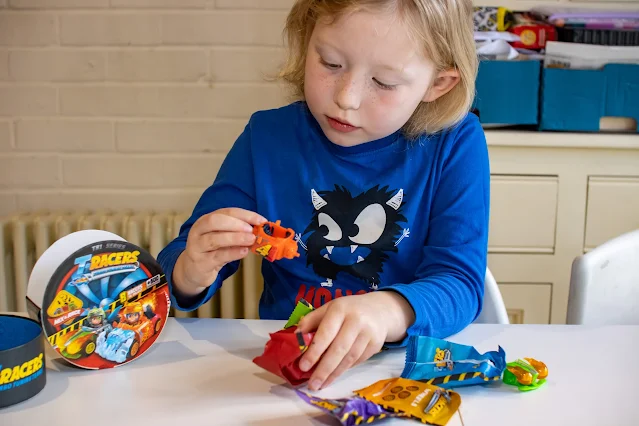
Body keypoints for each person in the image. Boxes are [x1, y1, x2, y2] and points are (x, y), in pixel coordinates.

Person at [157, 0, 489, 392]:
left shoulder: (454, 143)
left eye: (383, 83)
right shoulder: (267, 138)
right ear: (306, 39)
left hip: (400, 373)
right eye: (331, 63)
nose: (346, 97)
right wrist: (190, 270)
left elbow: (460, 284)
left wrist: (387, 310)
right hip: (287, 374)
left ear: (438, 84)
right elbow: (177, 267)